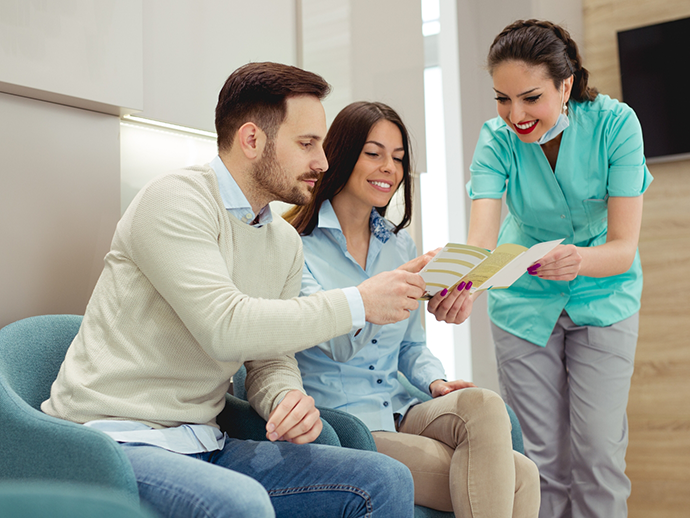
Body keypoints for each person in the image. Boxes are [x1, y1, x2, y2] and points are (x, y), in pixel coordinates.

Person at [41, 62, 423, 518]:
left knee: (384, 478)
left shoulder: (281, 241)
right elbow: (226, 326)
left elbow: (269, 357)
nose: (322, 161)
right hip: (112, 440)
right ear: (252, 140)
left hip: (204, 441)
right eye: (306, 144)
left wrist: (283, 397)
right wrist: (359, 302)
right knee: (239, 503)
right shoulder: (175, 200)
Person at [285, 101, 540, 518]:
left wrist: (435, 381)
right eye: (374, 153)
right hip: (347, 422)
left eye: (399, 158)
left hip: (401, 405)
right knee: (521, 477)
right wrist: (382, 291)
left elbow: (411, 346)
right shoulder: (295, 246)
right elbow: (336, 345)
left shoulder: (399, 245)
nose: (389, 167)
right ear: (342, 154)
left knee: (486, 405)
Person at [464, 20, 653, 518]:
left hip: (603, 296)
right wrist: (460, 282)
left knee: (599, 455)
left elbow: (623, 249)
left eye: (530, 98)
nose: (515, 115)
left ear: (565, 85)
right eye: (502, 99)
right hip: (523, 301)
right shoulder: (495, 139)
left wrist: (578, 261)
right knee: (539, 461)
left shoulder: (616, 125)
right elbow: (481, 239)